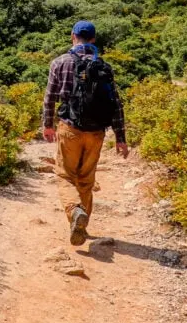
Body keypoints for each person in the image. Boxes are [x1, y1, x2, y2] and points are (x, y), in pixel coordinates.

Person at [42, 21, 129, 245]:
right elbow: (116, 104)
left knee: (64, 175)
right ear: (93, 39)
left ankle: (74, 213)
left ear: (72, 36)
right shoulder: (102, 65)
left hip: (69, 128)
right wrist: (121, 138)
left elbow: (50, 98)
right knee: (86, 180)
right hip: (96, 132)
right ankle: (83, 225)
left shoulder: (59, 63)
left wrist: (48, 125)